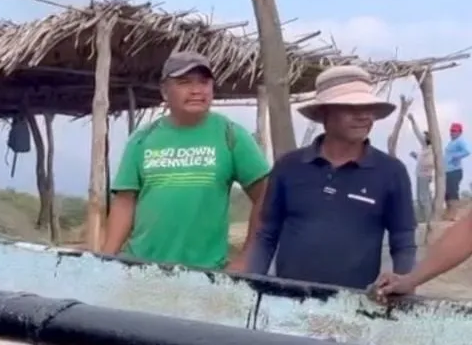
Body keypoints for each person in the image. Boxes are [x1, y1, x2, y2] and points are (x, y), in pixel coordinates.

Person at [246, 66, 415, 289]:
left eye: (369, 108)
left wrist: (405, 287)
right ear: (325, 113)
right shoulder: (289, 167)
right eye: (352, 108)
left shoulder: (391, 172)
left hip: (355, 306)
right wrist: (250, 286)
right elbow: (266, 235)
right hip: (286, 301)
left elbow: (403, 241)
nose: (363, 116)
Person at [102, 51, 269, 271]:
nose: (196, 90)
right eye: (184, 82)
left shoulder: (231, 135)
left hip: (205, 274)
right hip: (141, 269)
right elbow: (125, 202)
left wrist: (246, 258)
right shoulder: (142, 139)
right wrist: (105, 259)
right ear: (164, 90)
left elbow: (267, 196)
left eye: (204, 82)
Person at [443, 122, 469, 219]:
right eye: (451, 130)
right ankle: (449, 213)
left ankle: (454, 214)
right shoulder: (451, 142)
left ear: (459, 132)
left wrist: (455, 157)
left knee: (453, 191)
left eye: (454, 131)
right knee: (447, 193)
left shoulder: (460, 141)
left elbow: (467, 151)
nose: (452, 132)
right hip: (447, 171)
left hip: (455, 170)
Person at [410, 131, 435, 220]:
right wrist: (415, 156)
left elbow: (430, 163)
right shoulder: (425, 148)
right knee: (420, 199)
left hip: (425, 175)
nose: (425, 137)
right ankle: (426, 218)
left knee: (424, 198)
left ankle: (429, 219)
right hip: (420, 175)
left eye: (427, 136)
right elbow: (422, 161)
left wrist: (427, 170)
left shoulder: (431, 150)